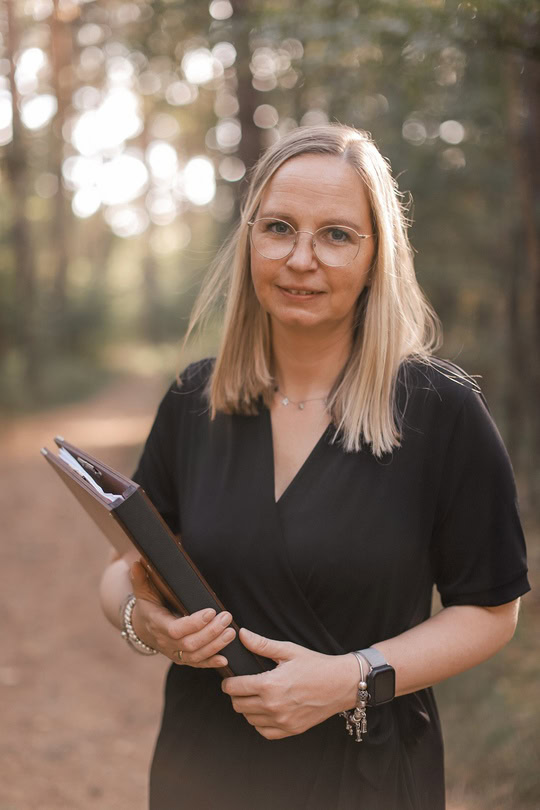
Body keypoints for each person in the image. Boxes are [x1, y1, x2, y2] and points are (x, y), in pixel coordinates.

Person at [99, 124, 530, 810]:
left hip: (364, 775)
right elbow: (127, 566)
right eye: (279, 228)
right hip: (201, 770)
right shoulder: (194, 400)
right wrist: (142, 621)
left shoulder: (442, 411)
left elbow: (491, 610)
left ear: (376, 255)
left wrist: (353, 678)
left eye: (336, 235)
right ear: (250, 241)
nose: (302, 259)